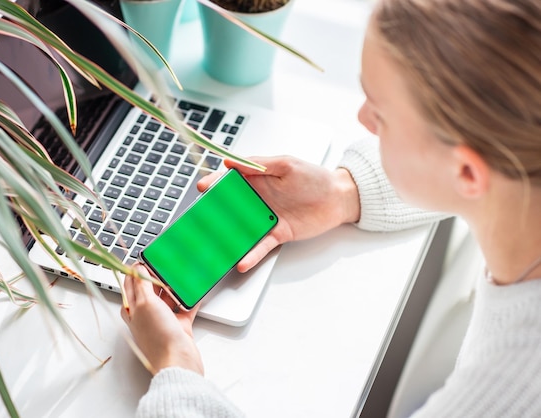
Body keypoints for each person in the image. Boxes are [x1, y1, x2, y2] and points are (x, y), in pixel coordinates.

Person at [121, 0, 541, 416]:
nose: (362, 119)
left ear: (467, 174)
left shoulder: (512, 392)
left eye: (381, 113)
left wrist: (178, 370)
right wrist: (343, 191)